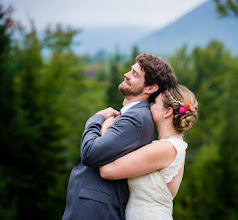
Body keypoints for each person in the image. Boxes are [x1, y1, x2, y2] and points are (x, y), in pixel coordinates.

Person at [62, 53, 177, 220]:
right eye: (131, 70)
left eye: (135, 74)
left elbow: (89, 153)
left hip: (96, 210)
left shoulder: (137, 118)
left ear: (150, 88)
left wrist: (96, 118)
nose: (126, 74)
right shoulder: (132, 116)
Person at [99, 85, 198, 220]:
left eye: (154, 103)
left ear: (167, 112)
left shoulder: (165, 149)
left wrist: (104, 128)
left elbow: (107, 170)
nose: (149, 107)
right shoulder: (172, 146)